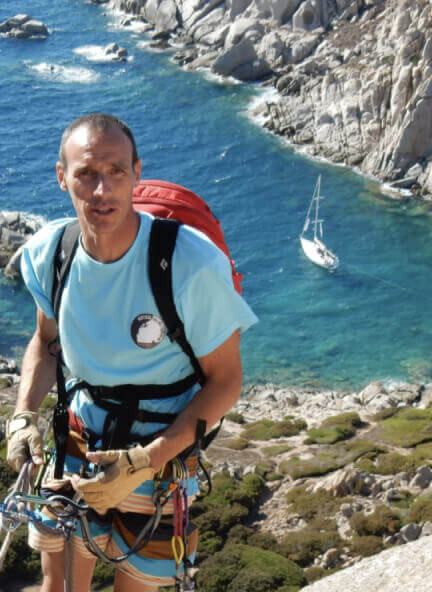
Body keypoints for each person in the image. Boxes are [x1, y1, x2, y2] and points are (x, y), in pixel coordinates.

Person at [6, 113, 257, 592]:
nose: (102, 190)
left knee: (135, 585)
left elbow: (225, 381)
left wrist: (144, 461)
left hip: (161, 446)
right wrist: (23, 416)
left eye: (116, 172)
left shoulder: (191, 264)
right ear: (62, 177)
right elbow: (47, 341)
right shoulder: (48, 254)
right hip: (77, 431)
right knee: (57, 579)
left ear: (137, 173)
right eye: (86, 173)